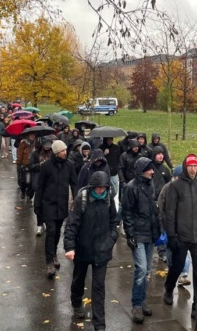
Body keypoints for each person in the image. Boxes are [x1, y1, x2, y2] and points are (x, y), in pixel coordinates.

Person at [64, 171, 118, 331]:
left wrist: (111, 240)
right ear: (93, 186)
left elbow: (114, 222)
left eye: (104, 187)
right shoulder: (82, 198)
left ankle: (100, 325)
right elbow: (72, 224)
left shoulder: (108, 199)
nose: (101, 190)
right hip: (83, 249)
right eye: (99, 188)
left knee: (99, 287)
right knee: (78, 279)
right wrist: (70, 247)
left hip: (102, 251)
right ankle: (76, 302)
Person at [163, 154, 197, 319]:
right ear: (185, 167)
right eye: (190, 166)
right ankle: (169, 288)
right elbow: (169, 212)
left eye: (195, 166)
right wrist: (171, 235)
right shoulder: (175, 187)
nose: (193, 169)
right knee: (177, 267)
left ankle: (196, 305)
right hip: (182, 236)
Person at [121, 157, 160, 324]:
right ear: (141, 170)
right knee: (142, 269)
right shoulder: (131, 188)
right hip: (138, 234)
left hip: (150, 233)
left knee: (148, 270)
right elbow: (127, 212)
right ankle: (136, 304)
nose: (152, 171)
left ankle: (142, 300)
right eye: (149, 169)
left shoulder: (150, 184)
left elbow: (153, 208)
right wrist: (130, 234)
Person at [34, 140, 75, 278]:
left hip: (61, 204)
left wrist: (76, 200)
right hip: (48, 204)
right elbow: (40, 186)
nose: (65, 152)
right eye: (62, 151)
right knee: (51, 231)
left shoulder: (69, 165)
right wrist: (37, 204)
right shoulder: (46, 166)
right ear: (56, 152)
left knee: (57, 231)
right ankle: (49, 261)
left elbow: (74, 184)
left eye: (65, 150)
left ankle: (54, 254)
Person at [28, 136, 53, 236]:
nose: (47, 148)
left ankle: (46, 222)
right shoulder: (35, 154)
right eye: (45, 146)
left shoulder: (52, 154)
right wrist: (41, 165)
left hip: (49, 182)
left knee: (47, 205)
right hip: (38, 182)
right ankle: (39, 224)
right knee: (38, 205)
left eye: (49, 146)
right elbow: (31, 166)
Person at [151, 146, 172, 262]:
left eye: (162, 154)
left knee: (163, 225)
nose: (160, 156)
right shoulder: (150, 168)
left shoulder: (165, 169)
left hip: (163, 202)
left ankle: (163, 250)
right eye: (158, 154)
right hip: (152, 201)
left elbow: (169, 185)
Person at [98, 137, 121, 205]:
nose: (109, 141)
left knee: (115, 190)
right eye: (108, 140)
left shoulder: (116, 148)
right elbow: (98, 160)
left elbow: (118, 159)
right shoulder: (101, 148)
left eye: (111, 140)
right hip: (104, 172)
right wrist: (104, 154)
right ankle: (105, 200)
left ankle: (109, 198)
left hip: (114, 172)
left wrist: (117, 167)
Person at [16, 131, 36, 199]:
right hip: (26, 165)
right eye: (31, 135)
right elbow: (20, 154)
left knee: (32, 182)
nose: (32, 136)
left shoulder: (36, 143)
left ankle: (29, 195)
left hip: (33, 165)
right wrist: (19, 164)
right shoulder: (23, 143)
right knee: (25, 181)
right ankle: (23, 191)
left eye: (33, 135)